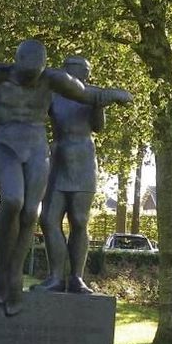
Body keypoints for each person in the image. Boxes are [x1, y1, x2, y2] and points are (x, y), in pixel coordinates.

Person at [0, 39, 131, 314]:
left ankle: (14, 273)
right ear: (17, 61)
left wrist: (114, 94)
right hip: (6, 143)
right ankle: (3, 267)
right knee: (11, 201)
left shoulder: (52, 79)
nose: (31, 79)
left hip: (36, 146)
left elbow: (85, 93)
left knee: (31, 212)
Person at [34, 56, 104, 294]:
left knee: (79, 220)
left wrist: (99, 105)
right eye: (76, 70)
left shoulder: (92, 95)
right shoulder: (54, 95)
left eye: (84, 70)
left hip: (83, 162)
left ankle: (76, 277)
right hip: (58, 160)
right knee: (49, 219)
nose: (80, 74)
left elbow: (98, 126)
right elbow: (37, 117)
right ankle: (55, 276)